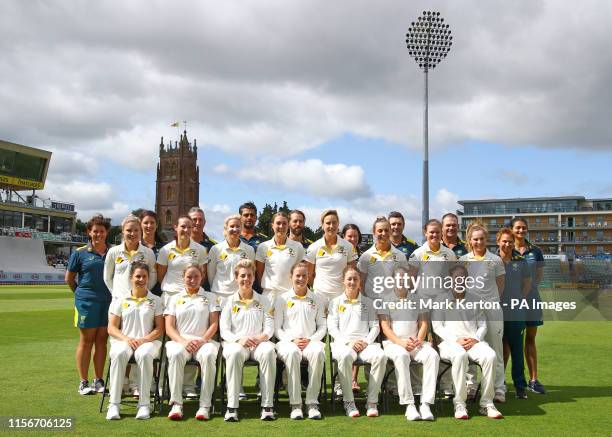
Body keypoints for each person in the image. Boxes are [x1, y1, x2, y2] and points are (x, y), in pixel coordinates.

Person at [432, 264, 503, 420]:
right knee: (459, 356)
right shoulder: (440, 299)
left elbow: (483, 324)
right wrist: (455, 340)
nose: (460, 281)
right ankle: (459, 404)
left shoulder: (475, 299)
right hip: (449, 344)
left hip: (473, 342)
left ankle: (487, 404)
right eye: (457, 278)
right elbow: (437, 326)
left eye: (463, 278)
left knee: (490, 356)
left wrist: (476, 339)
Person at [379, 265, 440, 421]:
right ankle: (409, 405)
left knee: (432, 356)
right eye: (398, 278)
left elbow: (424, 323)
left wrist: (418, 340)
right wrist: (401, 343)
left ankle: (425, 404)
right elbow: (385, 328)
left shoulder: (418, 299)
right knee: (402, 357)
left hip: (416, 342)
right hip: (394, 344)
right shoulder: (384, 299)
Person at [106, 262, 164, 420]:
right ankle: (114, 404)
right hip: (124, 340)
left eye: (144, 276)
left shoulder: (156, 300)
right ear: (131, 277)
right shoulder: (120, 299)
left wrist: (144, 339)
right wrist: (127, 339)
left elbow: (160, 328)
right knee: (118, 354)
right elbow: (111, 328)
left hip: (149, 342)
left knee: (144, 355)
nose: (141, 279)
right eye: (138, 276)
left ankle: (144, 404)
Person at [220, 260, 277, 422]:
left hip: (259, 343)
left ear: (254, 278)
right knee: (234, 353)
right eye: (242, 276)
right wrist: (239, 340)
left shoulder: (264, 300)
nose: (246, 279)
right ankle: (232, 407)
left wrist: (259, 338)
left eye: (249, 275)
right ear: (236, 278)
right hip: (237, 344)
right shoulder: (228, 302)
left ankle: (267, 406)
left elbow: (269, 328)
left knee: (268, 351)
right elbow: (224, 330)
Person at [328, 266, 387, 418]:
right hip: (344, 345)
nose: (352, 282)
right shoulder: (335, 302)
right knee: (346, 356)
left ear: (360, 281)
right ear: (343, 281)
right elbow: (332, 328)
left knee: (380, 356)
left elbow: (374, 326)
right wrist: (348, 342)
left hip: (365, 344)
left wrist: (366, 342)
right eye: (349, 279)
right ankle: (349, 402)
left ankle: (372, 402)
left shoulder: (367, 302)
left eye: (355, 279)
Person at [165, 264, 221, 421]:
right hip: (180, 341)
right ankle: (176, 404)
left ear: (202, 277)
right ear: (183, 278)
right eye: (189, 277)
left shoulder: (210, 297)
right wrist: (183, 342)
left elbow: (214, 324)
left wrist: (202, 340)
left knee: (210, 355)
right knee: (175, 355)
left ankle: (205, 405)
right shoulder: (174, 298)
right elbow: (169, 327)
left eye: (196, 276)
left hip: (204, 342)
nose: (192, 280)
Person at [460, 222, 506, 402]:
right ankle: (471, 386)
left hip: (492, 310)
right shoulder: (463, 260)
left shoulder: (495, 260)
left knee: (496, 350)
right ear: (469, 241)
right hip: (470, 312)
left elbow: (500, 285)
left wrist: (490, 303)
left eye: (481, 239)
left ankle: (499, 388)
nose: (478, 242)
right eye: (475, 239)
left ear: (486, 240)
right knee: (471, 347)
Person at [66, 214, 111, 395]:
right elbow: (69, 279)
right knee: (86, 341)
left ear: (106, 232)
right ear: (89, 232)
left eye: (101, 231)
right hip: (86, 302)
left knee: (102, 341)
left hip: (108, 302)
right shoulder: (80, 253)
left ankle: (98, 380)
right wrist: (81, 295)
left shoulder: (114, 252)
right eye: (95, 231)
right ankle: (83, 382)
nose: (98, 235)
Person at [274, 261, 326, 420]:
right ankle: (296, 404)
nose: (301, 279)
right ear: (291, 277)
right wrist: (292, 340)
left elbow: (323, 326)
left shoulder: (317, 299)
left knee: (318, 353)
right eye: (298, 275)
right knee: (291, 354)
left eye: (304, 275)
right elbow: (277, 328)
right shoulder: (281, 299)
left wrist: (310, 340)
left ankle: (312, 403)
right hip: (288, 343)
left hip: (311, 342)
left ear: (309, 277)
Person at [511, 217, 546, 395]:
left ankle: (533, 380)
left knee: (530, 338)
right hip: (510, 300)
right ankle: (504, 382)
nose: (521, 231)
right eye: (517, 228)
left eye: (524, 228)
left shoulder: (536, 251)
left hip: (531, 298)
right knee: (509, 340)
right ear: (511, 229)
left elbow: (538, 276)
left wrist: (528, 290)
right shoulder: (505, 249)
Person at [496, 227, 531, 399]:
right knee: (497, 350)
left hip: (515, 313)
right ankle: (497, 384)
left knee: (517, 351)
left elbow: (527, 284)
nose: (507, 244)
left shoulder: (521, 260)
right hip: (495, 313)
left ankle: (520, 386)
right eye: (504, 241)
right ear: (498, 242)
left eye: (510, 241)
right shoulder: (492, 260)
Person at [305, 210, 358, 305]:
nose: (331, 226)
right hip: (319, 296)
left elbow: (352, 272)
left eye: (334, 223)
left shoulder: (348, 246)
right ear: (322, 225)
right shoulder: (314, 247)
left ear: (338, 224)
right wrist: (319, 288)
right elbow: (309, 274)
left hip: (342, 296)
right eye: (328, 223)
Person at [156, 215, 208, 308]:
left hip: (191, 296)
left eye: (189, 227)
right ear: (175, 227)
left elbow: (202, 275)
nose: (186, 230)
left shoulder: (201, 250)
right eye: (183, 226)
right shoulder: (165, 250)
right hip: (170, 295)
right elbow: (160, 276)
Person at [256, 211, 305, 306]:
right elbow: (259, 275)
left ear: (288, 225)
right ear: (272, 225)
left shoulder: (297, 246)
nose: (281, 226)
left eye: (284, 223)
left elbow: (300, 273)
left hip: (290, 295)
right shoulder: (263, 247)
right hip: (268, 295)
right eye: (278, 223)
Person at [104, 215, 157, 299]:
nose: (132, 233)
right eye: (129, 230)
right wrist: (116, 293)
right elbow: (107, 277)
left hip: (140, 300)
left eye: (136, 230)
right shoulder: (113, 252)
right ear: (123, 231)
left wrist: (141, 291)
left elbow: (153, 276)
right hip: (119, 301)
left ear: (140, 231)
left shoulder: (149, 253)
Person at [208, 215, 256, 303]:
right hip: (220, 295)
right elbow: (211, 275)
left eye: (238, 226)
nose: (235, 229)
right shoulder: (215, 249)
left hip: (240, 295)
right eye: (232, 226)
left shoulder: (249, 250)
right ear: (226, 229)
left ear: (241, 229)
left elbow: (251, 273)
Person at [358, 217, 408, 299]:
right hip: (372, 303)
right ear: (374, 232)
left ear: (391, 232)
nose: (384, 233)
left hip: (392, 305)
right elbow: (361, 282)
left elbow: (405, 283)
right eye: (380, 231)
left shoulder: (400, 256)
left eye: (386, 230)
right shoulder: (366, 256)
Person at [139, 210, 164, 296]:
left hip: (159, 293)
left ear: (156, 225)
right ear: (140, 224)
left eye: (152, 223)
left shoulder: (164, 248)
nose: (149, 225)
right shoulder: (135, 247)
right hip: (139, 293)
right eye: (146, 223)